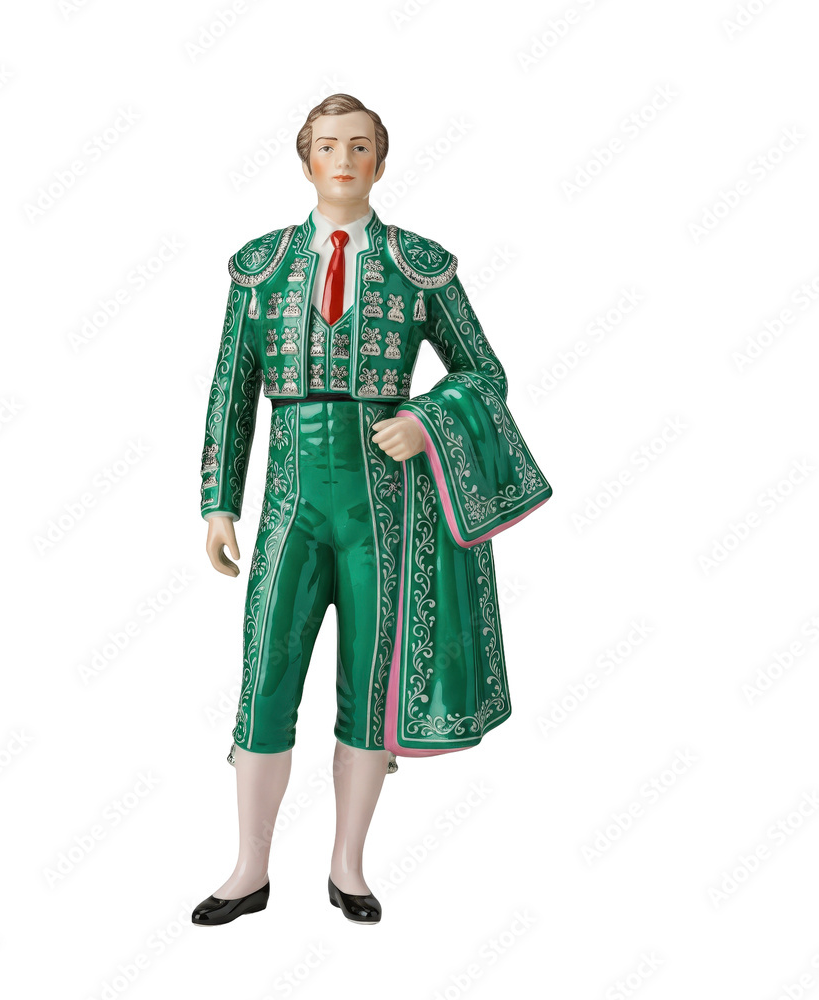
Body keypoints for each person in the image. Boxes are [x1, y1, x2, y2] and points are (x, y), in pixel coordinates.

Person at [193, 94, 551, 925]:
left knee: (370, 682)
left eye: (359, 147)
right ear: (306, 161)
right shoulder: (259, 267)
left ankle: (347, 867)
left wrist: (426, 419)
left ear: (381, 162)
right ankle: (249, 868)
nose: (344, 160)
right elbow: (230, 388)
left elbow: (484, 372)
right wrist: (218, 503)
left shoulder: (421, 265)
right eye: (328, 146)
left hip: (383, 509)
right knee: (265, 678)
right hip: (288, 502)